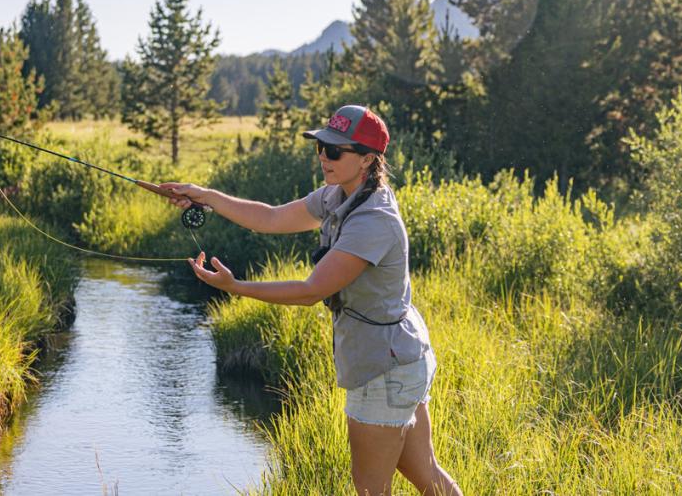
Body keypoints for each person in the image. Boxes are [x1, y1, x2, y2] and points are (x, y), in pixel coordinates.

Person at [164, 105, 461, 496]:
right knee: (426, 475)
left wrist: (236, 287)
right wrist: (205, 196)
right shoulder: (340, 195)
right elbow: (269, 218)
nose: (323, 156)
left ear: (369, 159)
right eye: (321, 146)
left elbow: (311, 291)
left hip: (383, 371)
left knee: (372, 489)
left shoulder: (374, 221)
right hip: (402, 358)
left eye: (335, 151)